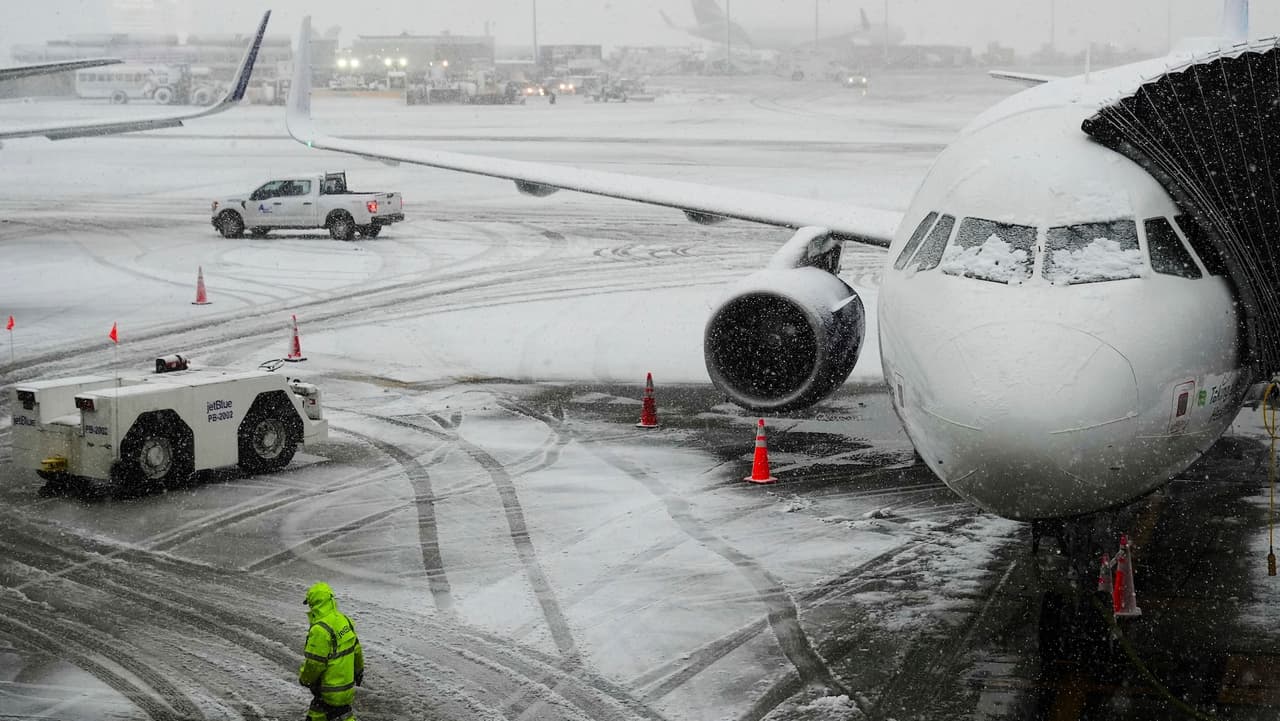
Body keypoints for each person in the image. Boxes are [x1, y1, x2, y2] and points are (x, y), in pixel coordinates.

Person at [299, 582, 364, 721]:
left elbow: (315, 664)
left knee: (323, 713)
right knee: (331, 713)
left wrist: (305, 679)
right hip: (347, 690)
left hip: (328, 691)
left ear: (313, 603)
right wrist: (359, 670)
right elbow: (357, 650)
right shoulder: (345, 621)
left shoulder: (320, 630)